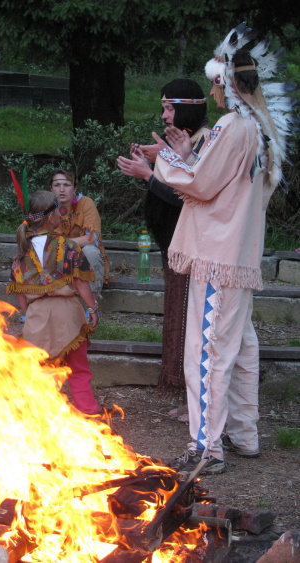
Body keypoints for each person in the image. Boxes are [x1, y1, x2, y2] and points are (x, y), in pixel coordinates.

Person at [129, 23, 297, 475]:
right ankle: (244, 434)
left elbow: (200, 183)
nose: (211, 92)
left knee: (206, 354)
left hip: (218, 256)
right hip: (238, 256)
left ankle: (206, 448)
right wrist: (183, 155)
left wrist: (166, 159)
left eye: (215, 83)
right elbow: (222, 182)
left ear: (227, 83)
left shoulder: (232, 125)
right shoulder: (261, 128)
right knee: (240, 348)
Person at [117, 80, 210, 420]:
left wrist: (148, 174)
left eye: (170, 108)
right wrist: (157, 158)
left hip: (196, 251)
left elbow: (189, 195)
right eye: (164, 108)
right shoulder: (190, 141)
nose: (165, 116)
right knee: (180, 321)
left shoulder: (207, 141)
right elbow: (177, 180)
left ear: (186, 108)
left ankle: (200, 403)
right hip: (176, 248)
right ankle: (191, 397)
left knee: (194, 327)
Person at [6, 190, 101, 415]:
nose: (61, 213)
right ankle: (89, 412)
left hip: (36, 317)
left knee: (40, 372)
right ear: (51, 217)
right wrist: (92, 307)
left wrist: (27, 314)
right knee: (79, 370)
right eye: (58, 209)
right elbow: (80, 282)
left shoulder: (21, 253)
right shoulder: (68, 246)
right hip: (68, 315)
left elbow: (20, 292)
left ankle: (40, 418)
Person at [50, 169, 108, 300]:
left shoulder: (86, 203)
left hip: (83, 256)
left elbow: (92, 239)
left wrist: (61, 243)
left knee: (90, 251)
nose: (62, 189)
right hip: (57, 257)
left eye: (67, 185)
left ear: (74, 188)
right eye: (57, 185)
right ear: (51, 188)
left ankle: (92, 304)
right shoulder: (46, 207)